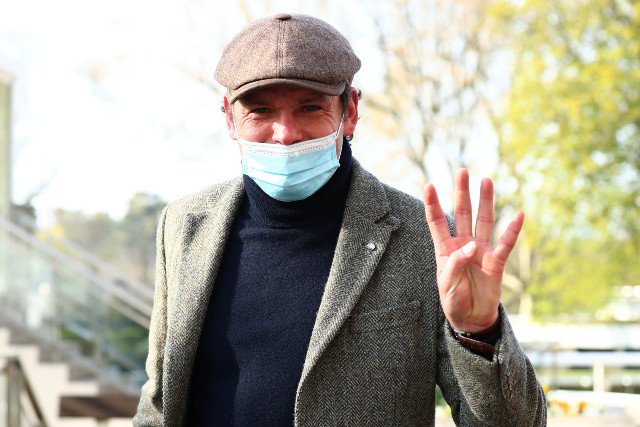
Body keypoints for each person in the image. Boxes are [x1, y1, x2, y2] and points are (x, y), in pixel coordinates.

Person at [134, 12, 546, 426]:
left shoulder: (428, 243)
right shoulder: (184, 226)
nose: (285, 133)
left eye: (310, 108)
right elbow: (159, 403)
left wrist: (479, 333)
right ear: (229, 118)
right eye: (260, 111)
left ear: (350, 111)